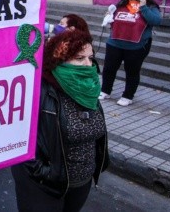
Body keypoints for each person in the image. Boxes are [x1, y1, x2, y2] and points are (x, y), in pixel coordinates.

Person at [11, 29, 109, 212]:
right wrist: (46, 173)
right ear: (60, 60)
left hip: (81, 183)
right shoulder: (39, 91)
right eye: (80, 58)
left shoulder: (89, 88)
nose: (88, 65)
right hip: (44, 186)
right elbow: (17, 138)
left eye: (90, 57)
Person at [99, 0, 162, 106]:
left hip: (137, 46)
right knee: (109, 69)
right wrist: (108, 16)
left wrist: (143, 7)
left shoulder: (151, 6)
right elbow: (113, 20)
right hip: (115, 43)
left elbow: (156, 21)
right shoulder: (121, 5)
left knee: (132, 71)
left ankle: (128, 96)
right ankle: (105, 90)